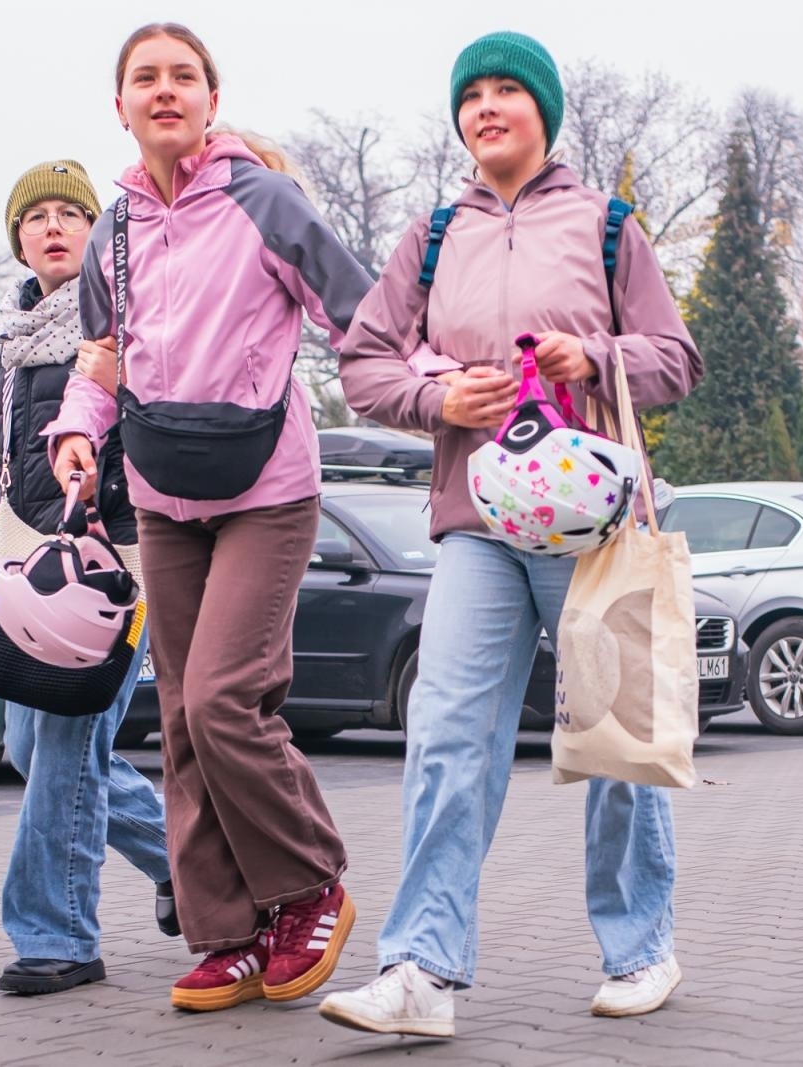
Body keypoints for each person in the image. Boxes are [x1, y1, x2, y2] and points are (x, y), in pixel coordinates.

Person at [319, 31, 704, 1036]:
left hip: (595, 524)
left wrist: (596, 354)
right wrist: (436, 396)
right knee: (446, 733)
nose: (487, 107)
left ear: (543, 110)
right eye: (471, 95)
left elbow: (674, 357)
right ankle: (421, 971)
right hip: (477, 523)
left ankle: (640, 948)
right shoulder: (432, 233)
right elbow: (362, 362)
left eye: (506, 92)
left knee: (617, 738)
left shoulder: (609, 225)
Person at [43, 23, 374, 1012]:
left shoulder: (261, 200)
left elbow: (356, 313)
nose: (164, 90)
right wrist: (76, 429)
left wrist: (424, 391)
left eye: (182, 75)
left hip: (266, 488)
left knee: (226, 700)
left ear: (209, 98)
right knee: (183, 719)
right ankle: (225, 931)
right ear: (121, 106)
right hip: (161, 495)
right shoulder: (116, 231)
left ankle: (310, 880)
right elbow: (102, 354)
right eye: (144, 77)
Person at [0, 160, 176, 996]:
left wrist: (108, 495)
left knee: (62, 745)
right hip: (34, 562)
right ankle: (197, 864)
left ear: (97, 232)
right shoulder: (18, 341)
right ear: (19, 238)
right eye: (36, 217)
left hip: (113, 565)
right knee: (30, 743)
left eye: (70, 213)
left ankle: (56, 933)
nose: (52, 227)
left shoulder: (118, 322)